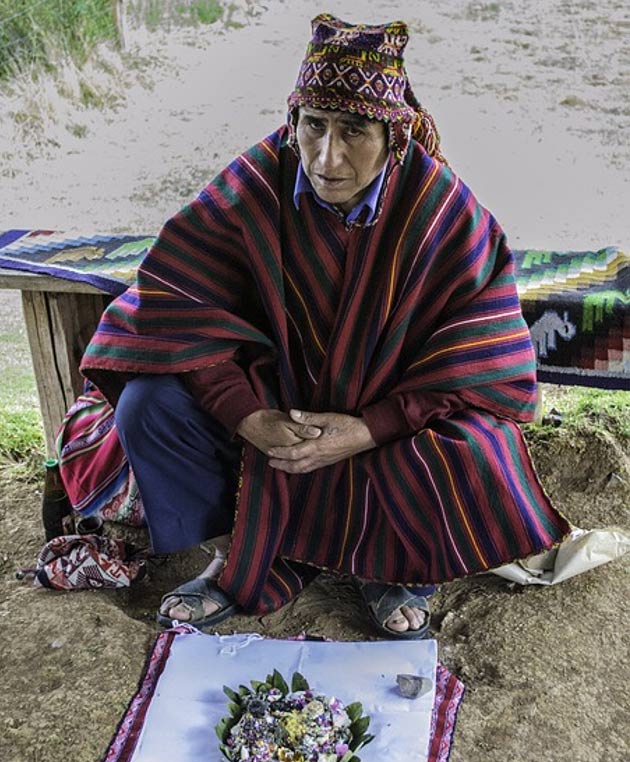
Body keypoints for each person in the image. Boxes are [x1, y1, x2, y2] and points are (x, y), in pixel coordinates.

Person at [80, 13, 571, 639]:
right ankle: (243, 557)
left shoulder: (443, 212)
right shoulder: (255, 184)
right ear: (295, 122)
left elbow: (484, 357)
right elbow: (174, 308)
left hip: (387, 419)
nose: (327, 156)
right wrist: (248, 417)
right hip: (274, 409)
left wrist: (369, 428)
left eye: (355, 131)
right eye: (314, 126)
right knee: (149, 404)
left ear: (393, 136)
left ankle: (391, 568)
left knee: (478, 447)